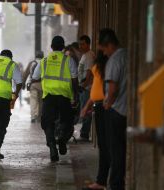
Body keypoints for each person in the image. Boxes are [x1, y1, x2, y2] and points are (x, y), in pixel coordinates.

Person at [32, 36, 79, 162]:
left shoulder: (44, 61)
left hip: (49, 97)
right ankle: (62, 141)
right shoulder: (69, 60)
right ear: (63, 47)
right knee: (67, 121)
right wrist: (76, 95)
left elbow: (35, 77)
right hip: (64, 96)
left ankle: (52, 147)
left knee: (47, 123)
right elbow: (75, 79)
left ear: (51, 47)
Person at [97, 28, 127, 190]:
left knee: (115, 150)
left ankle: (115, 184)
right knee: (122, 149)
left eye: (103, 49)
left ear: (109, 45)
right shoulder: (127, 55)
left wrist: (107, 103)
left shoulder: (114, 60)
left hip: (116, 111)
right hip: (128, 109)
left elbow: (113, 88)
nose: (104, 54)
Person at [81, 50, 108, 190]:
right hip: (99, 106)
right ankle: (102, 180)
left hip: (105, 107)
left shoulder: (105, 67)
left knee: (105, 146)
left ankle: (102, 181)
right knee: (104, 146)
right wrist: (87, 106)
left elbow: (109, 89)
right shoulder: (99, 67)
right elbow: (96, 89)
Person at [78, 35, 95, 141]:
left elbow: (89, 74)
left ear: (88, 44)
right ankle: (84, 132)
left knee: (86, 110)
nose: (80, 46)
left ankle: (84, 134)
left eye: (83, 44)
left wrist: (83, 87)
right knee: (84, 109)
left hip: (87, 88)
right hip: (84, 87)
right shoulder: (85, 55)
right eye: (80, 44)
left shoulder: (89, 56)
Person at [22, 51, 44, 123]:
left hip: (33, 84)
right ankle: (39, 116)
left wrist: (23, 84)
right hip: (42, 84)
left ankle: (33, 116)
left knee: (33, 100)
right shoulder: (45, 62)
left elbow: (25, 74)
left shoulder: (31, 63)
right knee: (41, 101)